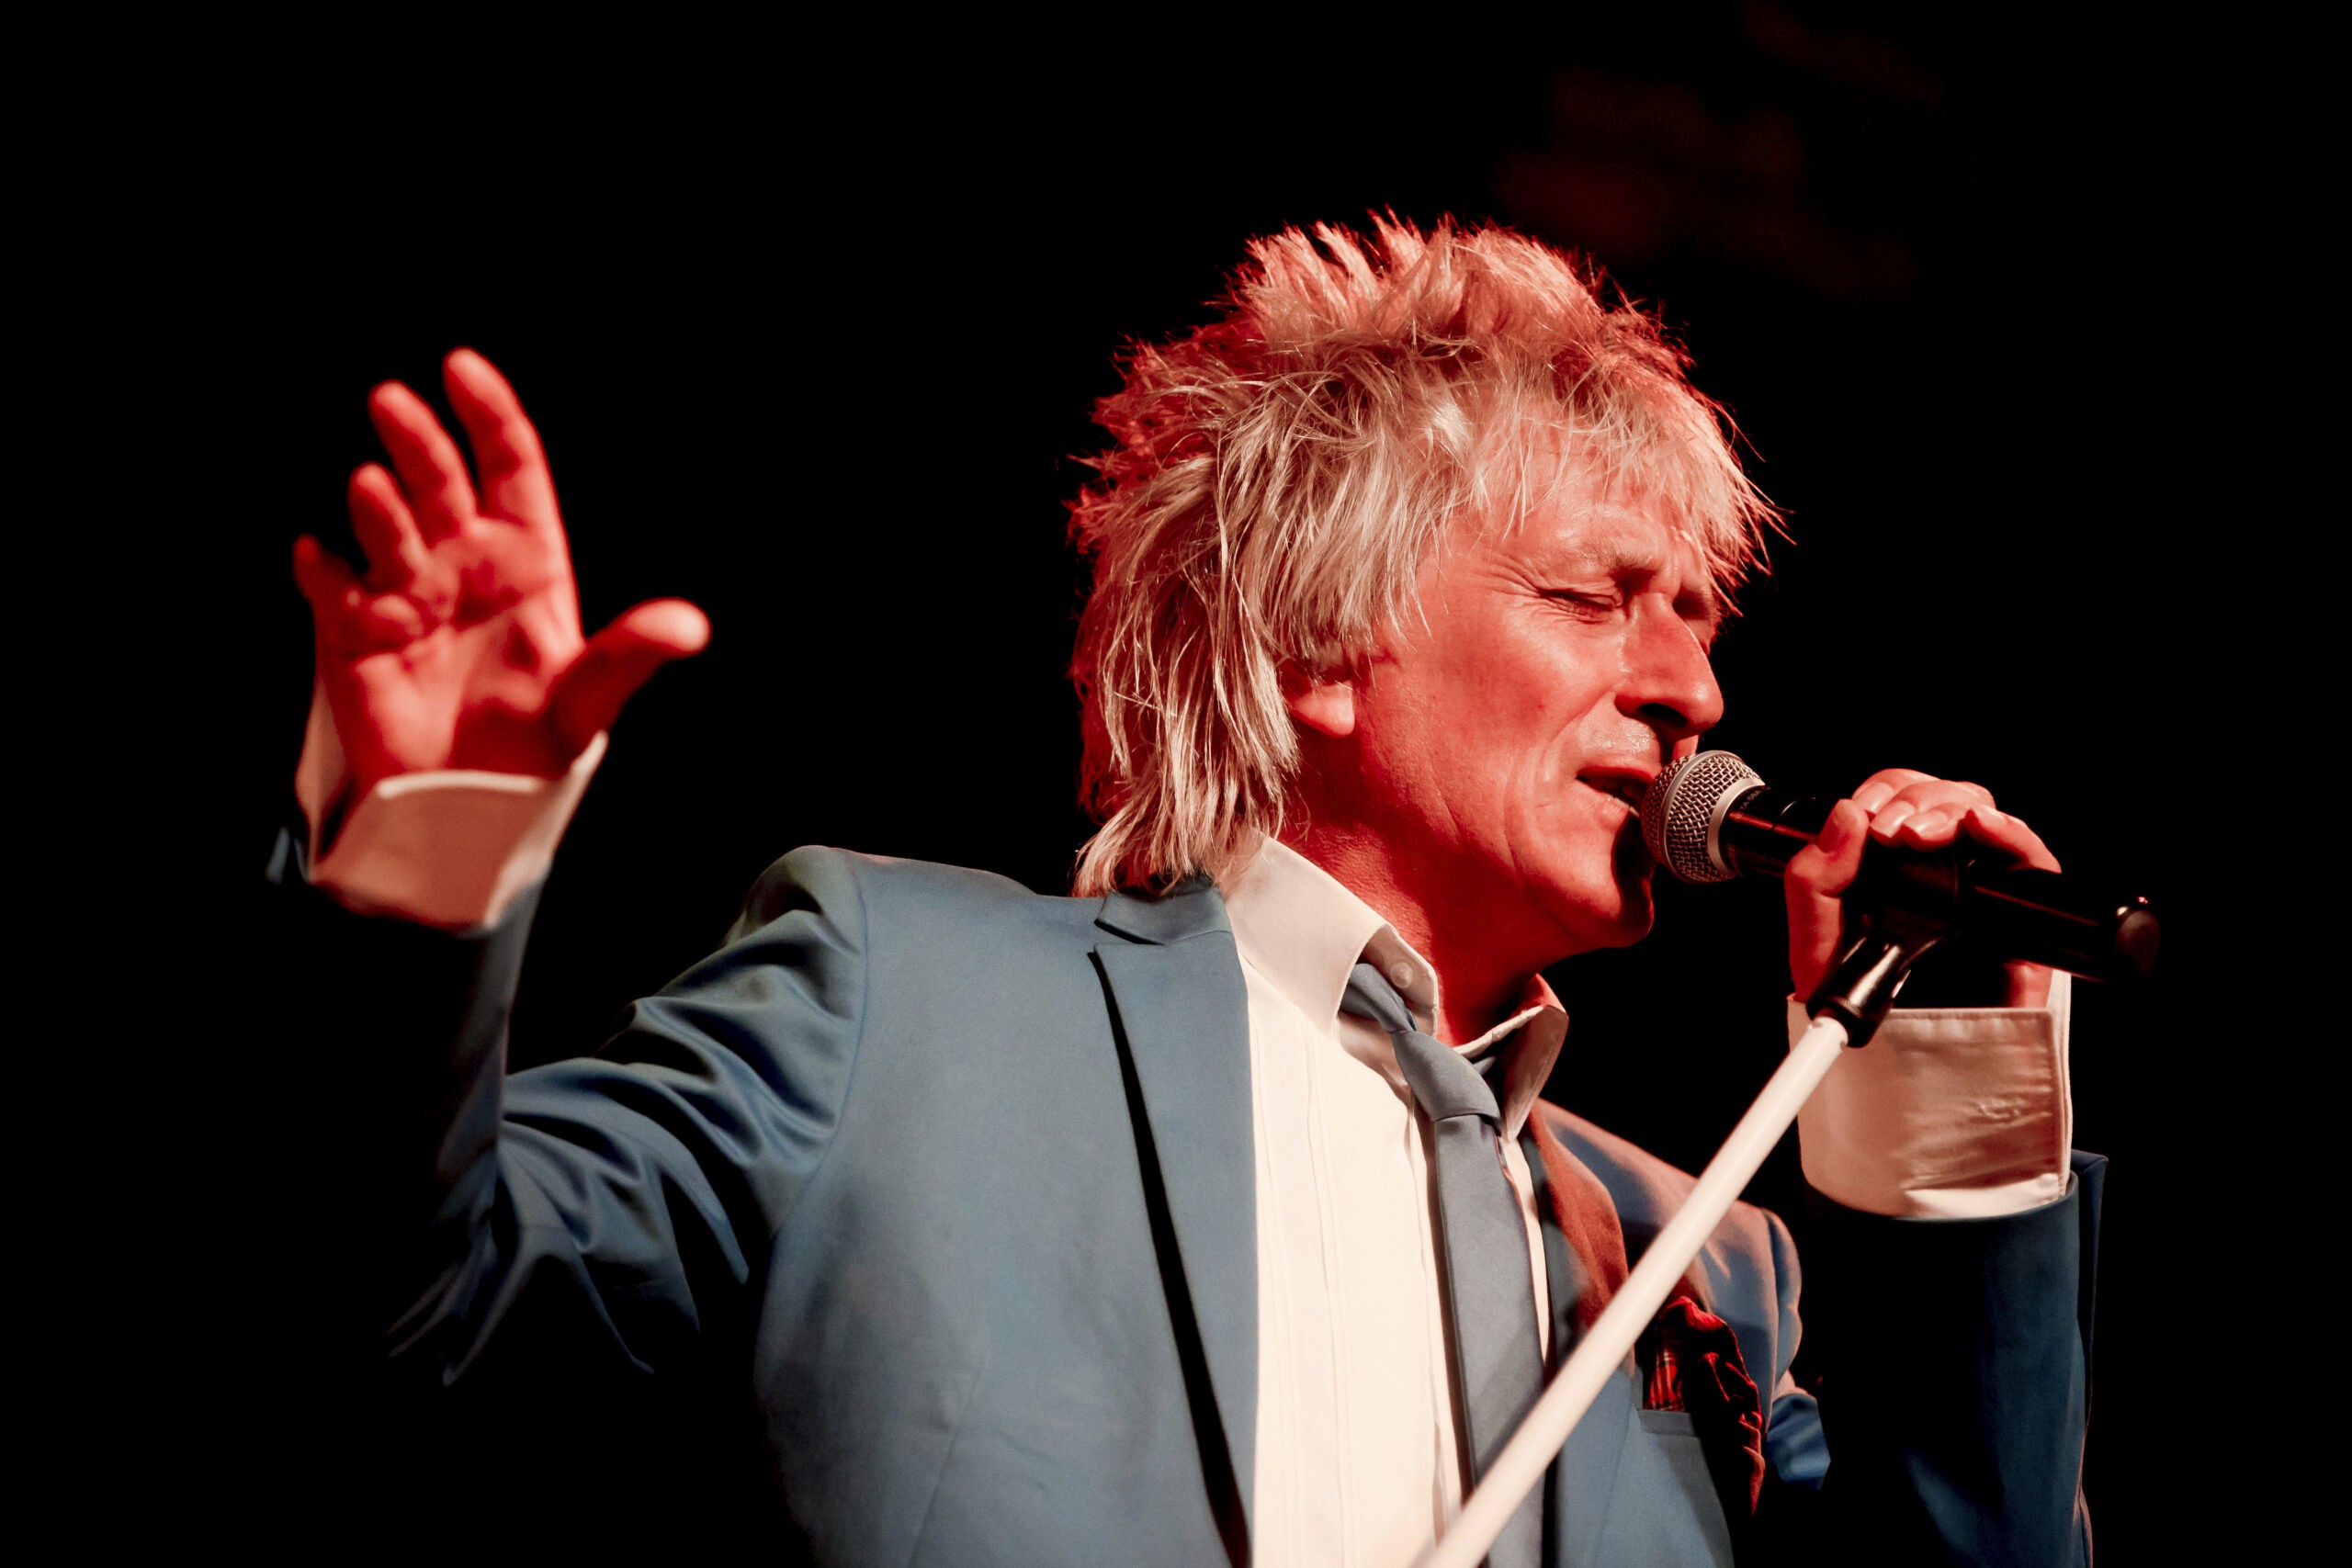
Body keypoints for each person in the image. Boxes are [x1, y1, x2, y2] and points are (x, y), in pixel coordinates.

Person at [276, 219, 2097, 1565]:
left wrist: (1949, 1106)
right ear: (1319, 647)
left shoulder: (1710, 1265)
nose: (1689, 689)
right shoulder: (900, 1003)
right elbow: (398, 1310)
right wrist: (433, 840)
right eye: (1591, 598)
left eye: (1696, 624)